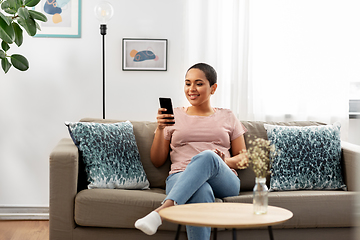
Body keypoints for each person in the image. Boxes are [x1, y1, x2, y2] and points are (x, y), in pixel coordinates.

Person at [135, 63, 248, 240]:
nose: (191, 89)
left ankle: (161, 212)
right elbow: (157, 161)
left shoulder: (228, 116)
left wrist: (224, 162)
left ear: (213, 88)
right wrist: (160, 129)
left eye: (199, 83)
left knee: (208, 156)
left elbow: (244, 158)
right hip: (180, 177)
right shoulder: (174, 116)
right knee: (200, 191)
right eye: (187, 83)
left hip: (224, 179)